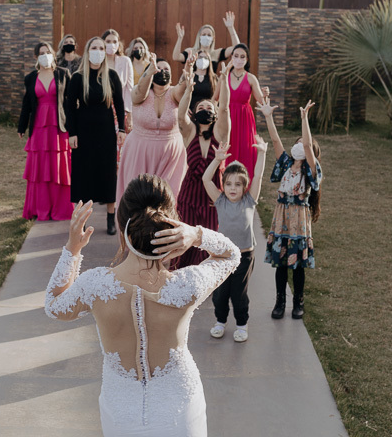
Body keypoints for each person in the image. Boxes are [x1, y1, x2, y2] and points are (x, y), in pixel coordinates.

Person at [44, 175, 241, 437]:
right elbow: (232, 255)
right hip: (180, 411)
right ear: (171, 225)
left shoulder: (95, 285)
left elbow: (54, 305)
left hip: (121, 413)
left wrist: (72, 249)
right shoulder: (187, 285)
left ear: (122, 224)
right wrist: (196, 234)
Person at [258, 99, 322, 320]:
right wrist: (268, 116)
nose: (299, 145)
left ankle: (298, 302)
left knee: (298, 266)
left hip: (299, 221)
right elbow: (275, 139)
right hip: (282, 218)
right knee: (281, 264)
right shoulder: (286, 163)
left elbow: (306, 146)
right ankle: (280, 301)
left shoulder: (311, 169)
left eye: (303, 144)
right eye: (297, 142)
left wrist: (304, 119)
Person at [202, 138, 267, 342]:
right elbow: (205, 179)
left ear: (244, 187)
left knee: (238, 294)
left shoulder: (249, 200)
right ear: (223, 185)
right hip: (223, 256)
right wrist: (217, 160)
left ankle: (241, 324)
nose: (232, 188)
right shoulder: (220, 200)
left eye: (238, 184)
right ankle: (220, 321)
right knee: (221, 293)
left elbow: (258, 175)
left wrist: (262, 154)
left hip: (245, 255)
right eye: (228, 183)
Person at [171, 62, 231, 269]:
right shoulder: (189, 133)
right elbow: (180, 114)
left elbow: (224, 107)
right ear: (194, 113)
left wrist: (223, 82)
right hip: (189, 195)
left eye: (208, 108)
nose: (205, 110)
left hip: (212, 194)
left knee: (209, 241)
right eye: (201, 107)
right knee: (184, 241)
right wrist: (189, 89)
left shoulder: (220, 133)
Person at [65, 37, 126, 234]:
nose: (98, 51)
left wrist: (122, 130)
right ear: (88, 50)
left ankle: (110, 219)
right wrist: (71, 133)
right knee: (83, 175)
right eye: (94, 47)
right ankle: (81, 220)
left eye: (101, 48)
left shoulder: (112, 76)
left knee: (107, 174)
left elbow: (119, 104)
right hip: (83, 133)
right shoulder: (77, 77)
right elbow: (69, 107)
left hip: (106, 132)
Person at [116, 54, 190, 203]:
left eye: (166, 69)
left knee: (168, 198)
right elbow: (139, 92)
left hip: (170, 154)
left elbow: (182, 87)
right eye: (158, 68)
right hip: (139, 152)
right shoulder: (140, 93)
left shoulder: (174, 92)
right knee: (137, 198)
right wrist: (150, 71)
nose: (161, 71)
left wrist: (188, 67)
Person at [17, 42, 73, 221]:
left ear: (53, 54)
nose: (45, 55)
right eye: (41, 53)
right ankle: (40, 208)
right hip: (39, 128)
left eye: (47, 52)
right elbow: (27, 105)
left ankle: (60, 208)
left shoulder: (63, 74)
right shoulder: (31, 77)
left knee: (59, 167)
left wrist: (76, 127)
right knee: (40, 169)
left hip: (59, 127)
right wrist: (21, 126)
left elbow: (71, 103)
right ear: (36, 57)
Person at [226, 43, 265, 178]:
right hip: (228, 117)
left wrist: (265, 94)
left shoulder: (251, 78)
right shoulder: (225, 76)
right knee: (228, 147)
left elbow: (260, 99)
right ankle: (226, 180)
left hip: (244, 119)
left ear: (247, 59)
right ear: (231, 57)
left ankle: (245, 182)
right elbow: (215, 98)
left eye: (242, 57)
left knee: (245, 148)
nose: (239, 59)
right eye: (236, 56)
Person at [172, 11, 242, 72]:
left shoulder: (216, 53)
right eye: (204, 34)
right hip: (192, 86)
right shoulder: (191, 52)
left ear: (213, 38)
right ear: (199, 37)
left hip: (211, 86)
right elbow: (176, 57)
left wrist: (231, 27)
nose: (206, 37)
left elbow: (237, 48)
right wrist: (180, 38)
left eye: (209, 35)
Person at [103, 29, 134, 130]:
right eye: (108, 41)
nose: (111, 44)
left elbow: (130, 88)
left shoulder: (125, 61)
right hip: (101, 108)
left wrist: (129, 113)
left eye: (114, 42)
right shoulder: (98, 62)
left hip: (120, 109)